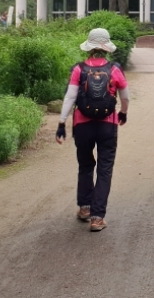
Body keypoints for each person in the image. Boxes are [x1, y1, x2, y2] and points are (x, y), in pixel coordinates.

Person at [55, 28, 129, 232]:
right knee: (105, 169)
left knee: (86, 165)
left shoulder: (79, 69)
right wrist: (123, 113)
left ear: (89, 48)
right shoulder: (114, 69)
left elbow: (70, 97)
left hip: (82, 125)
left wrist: (61, 123)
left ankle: (85, 208)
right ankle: (97, 218)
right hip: (107, 125)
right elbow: (125, 97)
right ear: (106, 48)